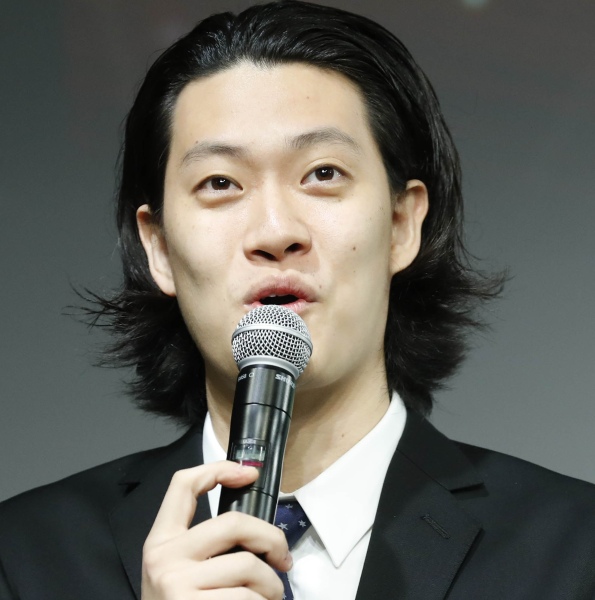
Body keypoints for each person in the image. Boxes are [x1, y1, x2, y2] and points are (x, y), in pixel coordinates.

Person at [1, 2, 594, 599]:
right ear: (158, 247)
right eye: (220, 183)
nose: (275, 231)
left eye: (323, 173)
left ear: (401, 224)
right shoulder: (25, 557)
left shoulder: (574, 549)